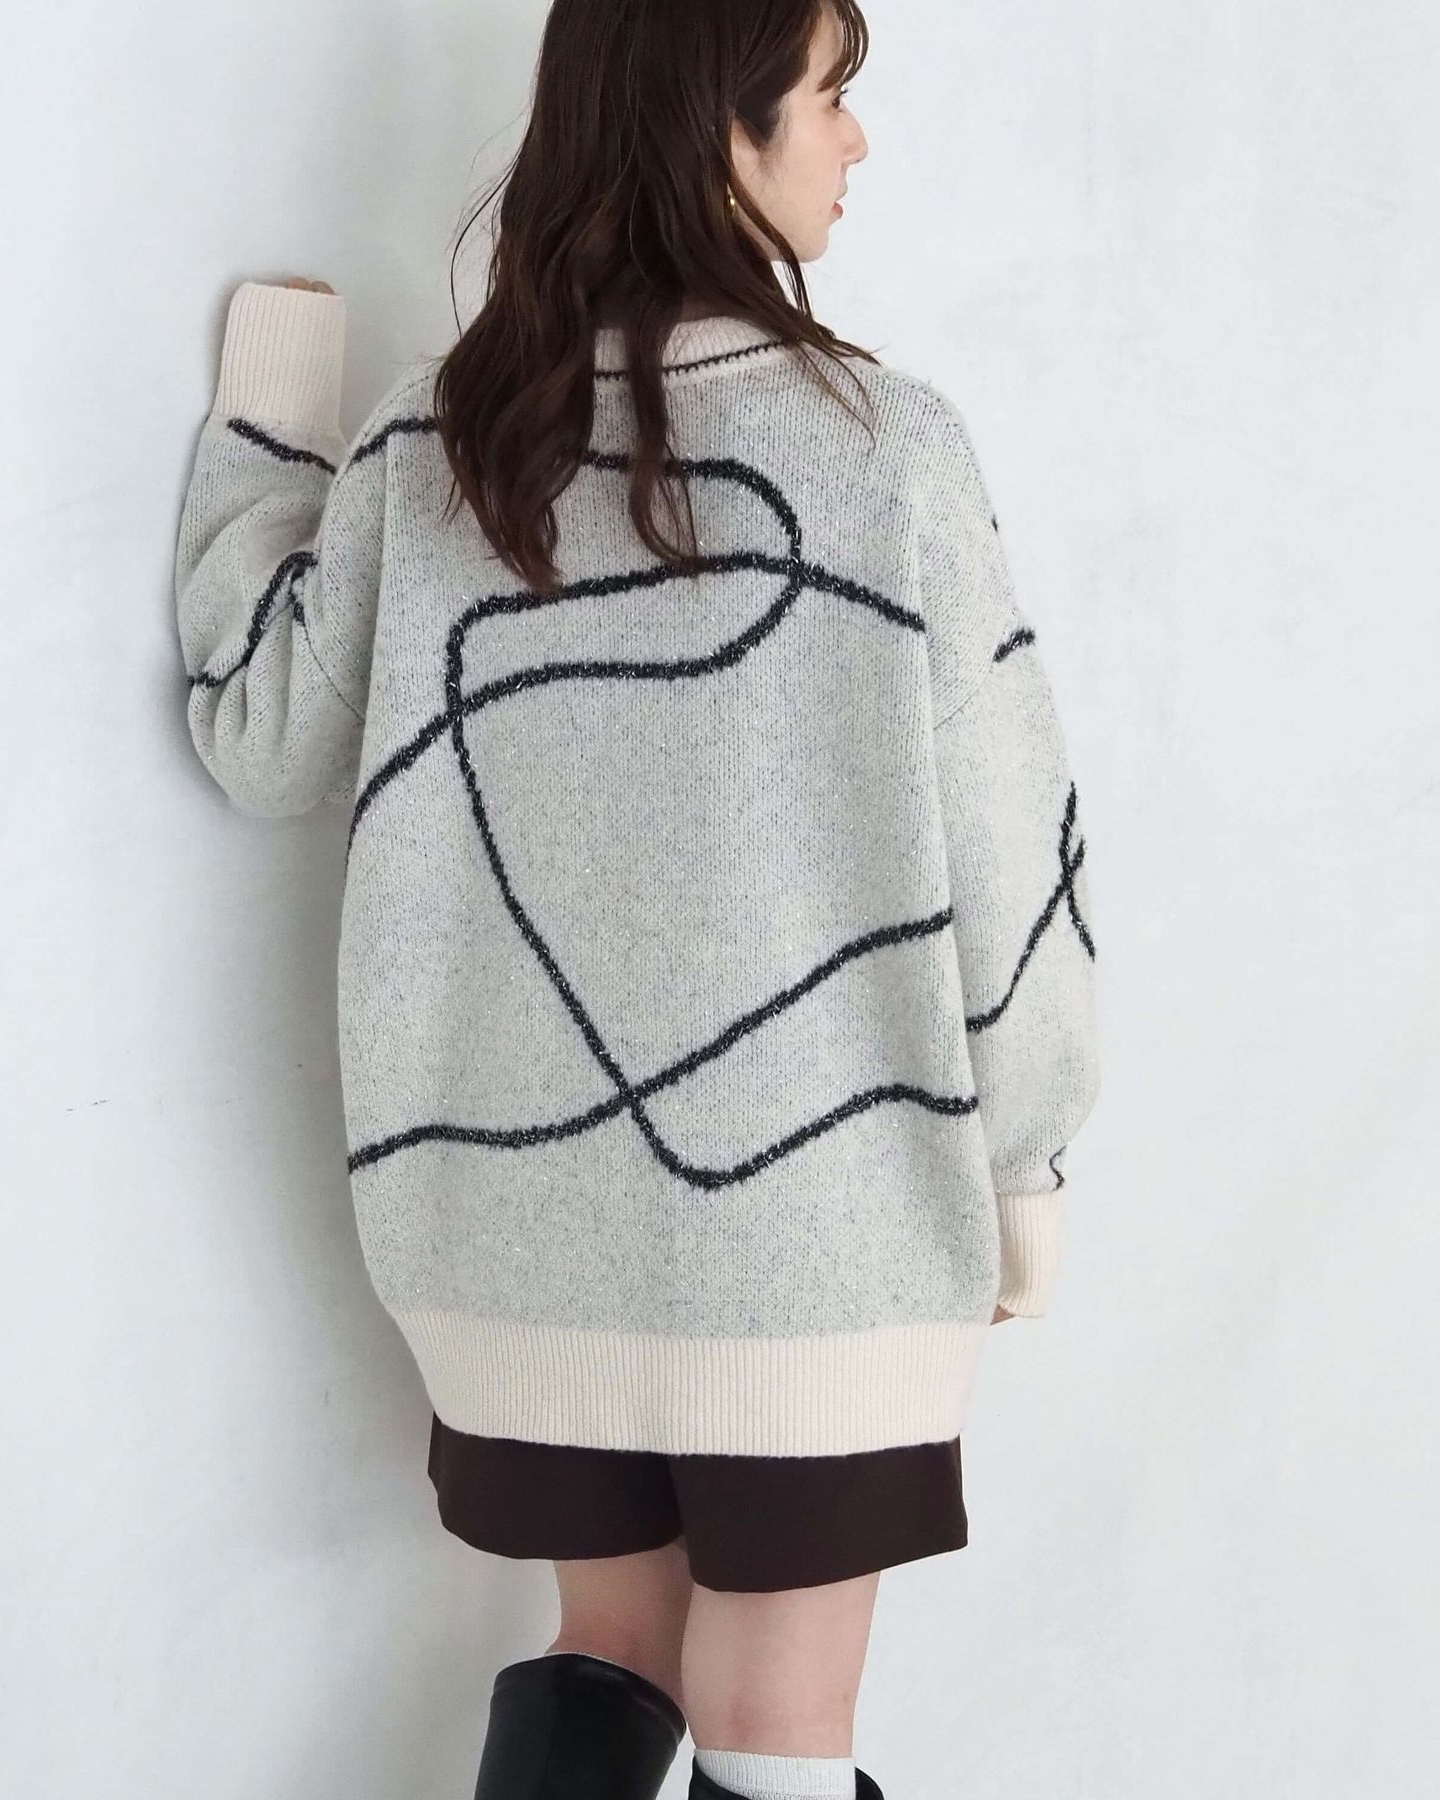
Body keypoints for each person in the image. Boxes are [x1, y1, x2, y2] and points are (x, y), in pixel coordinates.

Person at [172, 1, 1103, 1795]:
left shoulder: (446, 442)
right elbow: (1013, 843)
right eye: (828, 97)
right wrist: (1028, 1158)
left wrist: (274, 412)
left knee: (609, 1650)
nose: (855, 141)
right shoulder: (889, 451)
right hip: (818, 1236)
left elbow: (263, 732)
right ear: (718, 130)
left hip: (507, 1238)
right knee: (783, 1719)